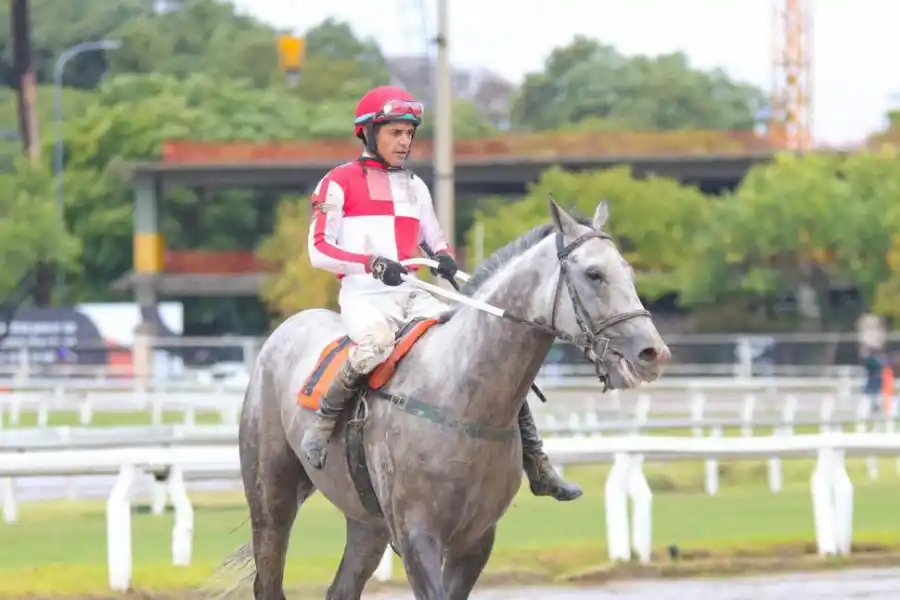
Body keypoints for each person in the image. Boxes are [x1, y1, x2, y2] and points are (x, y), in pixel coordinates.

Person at [300, 85, 582, 501]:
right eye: (395, 132)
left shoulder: (415, 186)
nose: (404, 142)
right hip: (365, 296)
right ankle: (323, 424)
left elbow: (433, 240)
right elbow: (318, 249)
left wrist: (446, 259)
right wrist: (371, 263)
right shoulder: (337, 183)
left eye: (409, 134)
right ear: (368, 133)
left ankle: (536, 462)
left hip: (414, 291)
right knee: (375, 344)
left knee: (476, 348)